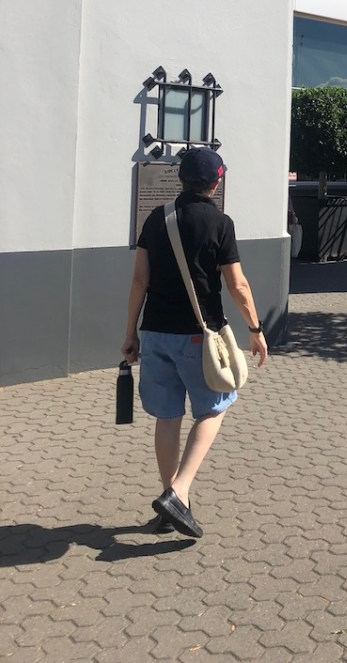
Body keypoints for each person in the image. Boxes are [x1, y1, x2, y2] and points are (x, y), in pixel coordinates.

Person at [121, 147, 268, 538]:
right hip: (197, 335)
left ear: (181, 178)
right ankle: (179, 491)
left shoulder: (156, 218)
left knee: (167, 416)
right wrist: (255, 329)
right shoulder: (220, 223)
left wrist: (130, 332)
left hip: (155, 332)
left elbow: (139, 281)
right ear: (216, 183)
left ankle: (174, 504)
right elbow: (237, 285)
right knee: (216, 406)